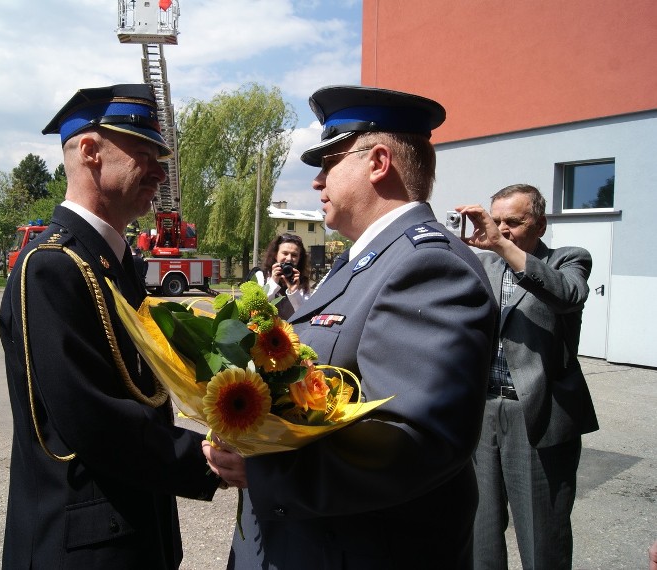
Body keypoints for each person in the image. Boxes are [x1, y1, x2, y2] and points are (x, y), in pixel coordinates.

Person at [205, 86, 498, 569]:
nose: (318, 182)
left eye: (328, 162)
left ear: (378, 162)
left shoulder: (427, 267)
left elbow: (413, 440)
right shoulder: (363, 261)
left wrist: (264, 470)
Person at [0, 84, 245, 569]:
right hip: (83, 544)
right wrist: (210, 459)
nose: (159, 169)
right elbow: (92, 419)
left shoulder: (113, 260)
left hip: (131, 528)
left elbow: (145, 390)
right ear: (90, 152)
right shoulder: (52, 266)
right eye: (143, 151)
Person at [457, 184, 599, 570]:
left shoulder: (567, 260)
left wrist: (503, 248)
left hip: (538, 416)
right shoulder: (481, 266)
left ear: (540, 224)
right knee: (481, 534)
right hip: (483, 413)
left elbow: (568, 295)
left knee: (542, 539)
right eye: (496, 220)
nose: (501, 230)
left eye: (513, 222)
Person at [252, 233, 312, 319]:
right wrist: (273, 282)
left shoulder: (302, 281)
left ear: (299, 258)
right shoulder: (262, 275)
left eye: (294, 255)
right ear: (276, 255)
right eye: (285, 253)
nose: (289, 259)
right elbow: (256, 307)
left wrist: (294, 291)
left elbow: (305, 315)